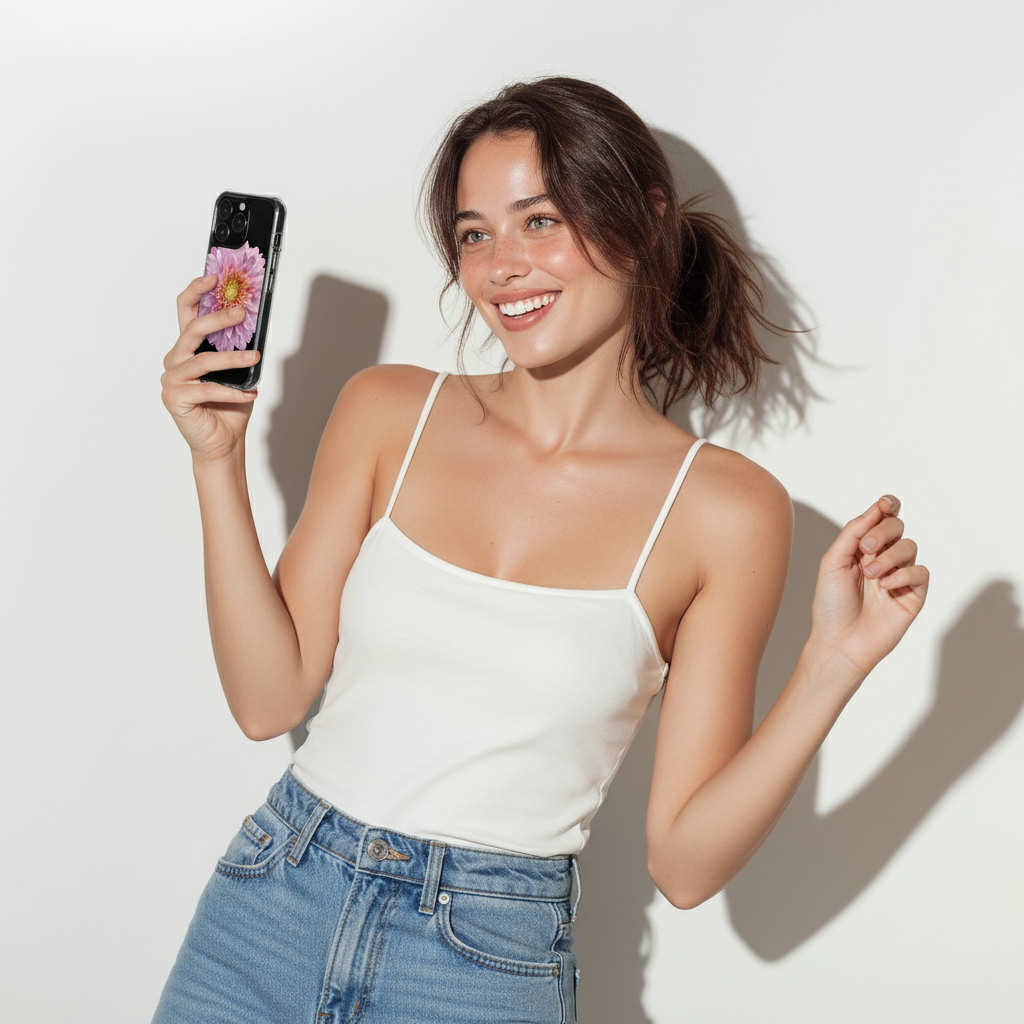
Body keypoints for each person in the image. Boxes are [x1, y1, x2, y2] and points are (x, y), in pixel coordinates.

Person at [155, 77, 928, 1024]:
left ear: (642, 221)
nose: (503, 267)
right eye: (476, 234)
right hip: (269, 902)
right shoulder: (389, 409)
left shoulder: (725, 509)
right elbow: (267, 698)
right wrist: (217, 462)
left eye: (541, 220)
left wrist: (832, 665)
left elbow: (683, 866)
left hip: (482, 960)